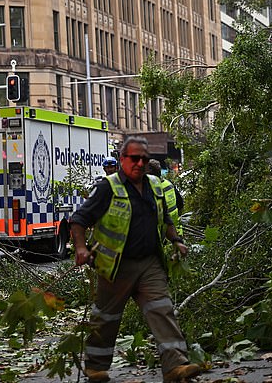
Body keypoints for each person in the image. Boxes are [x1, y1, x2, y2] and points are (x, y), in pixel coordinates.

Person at [70, 136, 200, 383]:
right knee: (106, 318)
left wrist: (177, 241)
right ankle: (95, 368)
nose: (140, 163)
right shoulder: (108, 187)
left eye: (144, 158)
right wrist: (80, 247)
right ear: (122, 160)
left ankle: (175, 366)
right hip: (116, 266)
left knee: (162, 310)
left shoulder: (155, 185)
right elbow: (78, 219)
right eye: (134, 158)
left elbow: (166, 221)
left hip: (150, 262)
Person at [146, 159, 184, 235]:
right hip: (176, 233)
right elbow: (180, 205)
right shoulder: (169, 184)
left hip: (162, 236)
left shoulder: (149, 189)